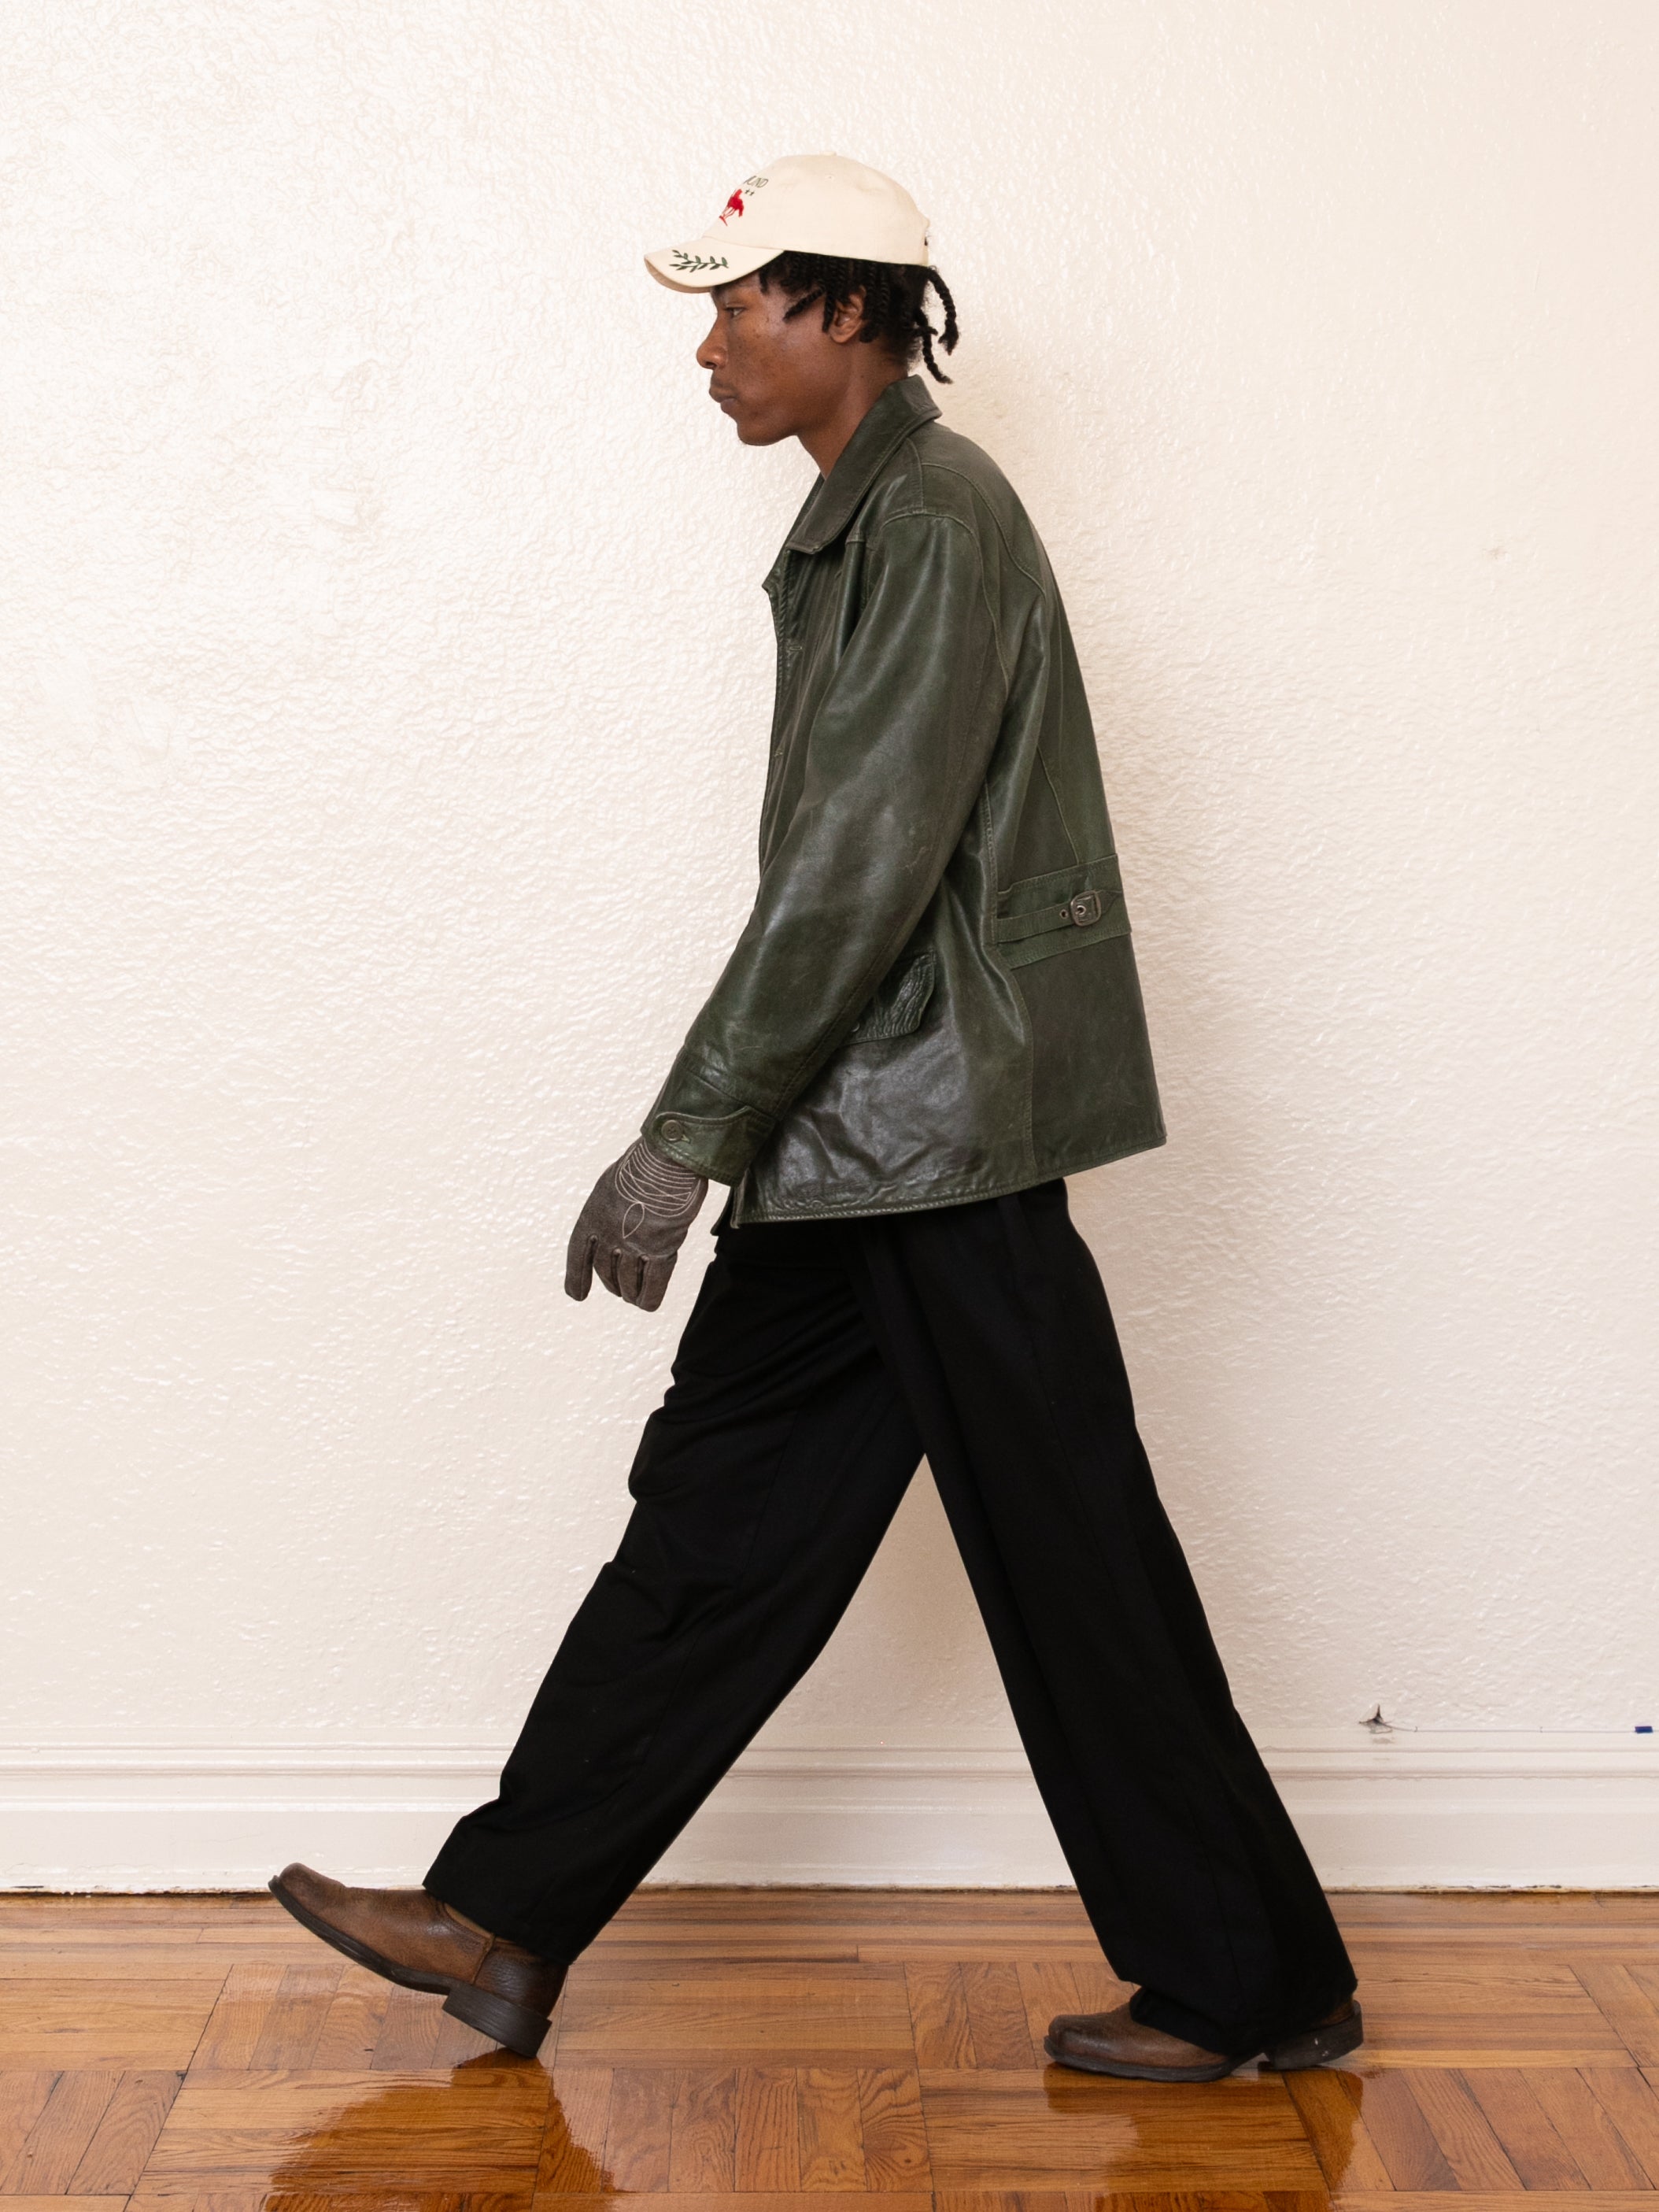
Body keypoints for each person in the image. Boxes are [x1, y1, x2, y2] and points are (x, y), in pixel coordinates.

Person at [270, 154, 1360, 2083]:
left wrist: (683, 1132)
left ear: (845, 309)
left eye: (735, 307)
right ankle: (509, 1922)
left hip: (935, 1139)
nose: (708, 350)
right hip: (870, 1136)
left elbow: (857, 868)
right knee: (717, 1520)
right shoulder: (872, 519)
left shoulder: (929, 518)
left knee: (1070, 1553)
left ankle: (1252, 1981)